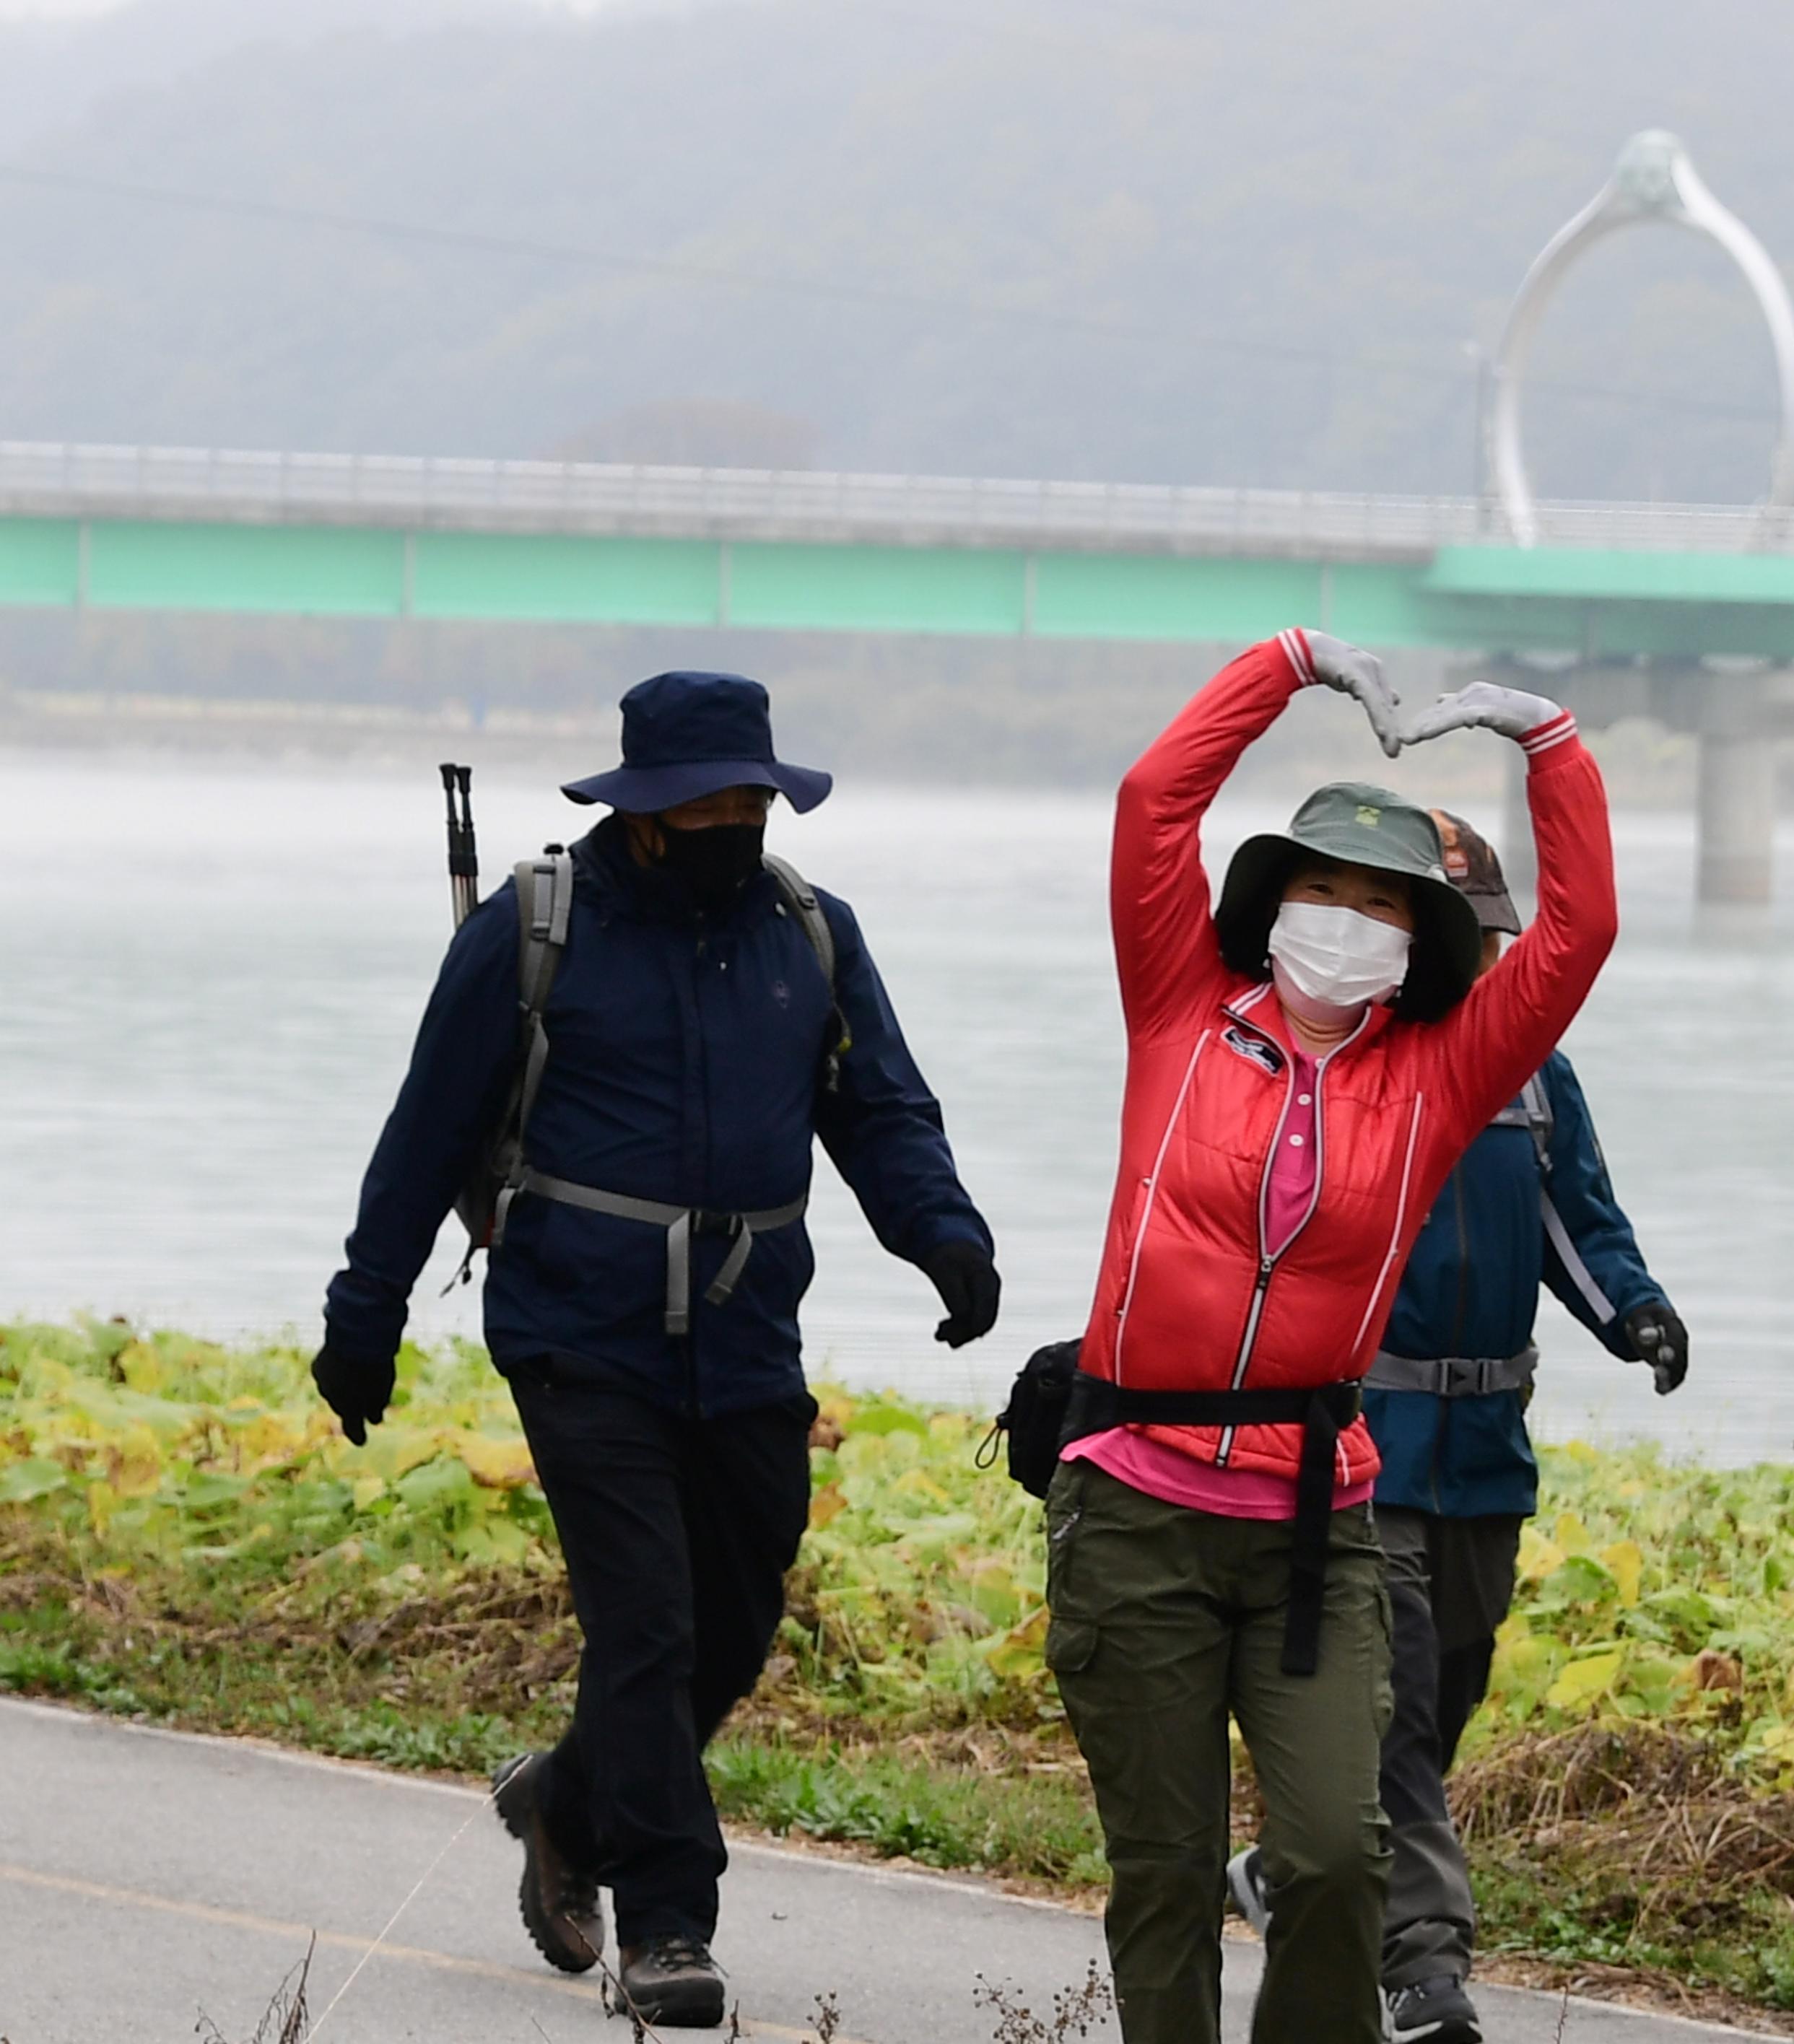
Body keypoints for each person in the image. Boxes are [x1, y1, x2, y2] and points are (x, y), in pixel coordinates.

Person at [314, 671, 998, 2027]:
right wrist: (365, 1308)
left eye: (753, 798)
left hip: (748, 1335)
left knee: (734, 1625)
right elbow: (428, 1131)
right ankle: (670, 1923)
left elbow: (882, 1108)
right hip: (579, 1333)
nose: (734, 821)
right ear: (641, 813)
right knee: (647, 1624)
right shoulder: (535, 930)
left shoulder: (812, 933)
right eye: (706, 803)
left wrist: (945, 1235)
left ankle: (566, 1801)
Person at [1042, 630, 1616, 2044]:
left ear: (1419, 939)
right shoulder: (1179, 1008)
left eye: (1381, 903)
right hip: (1134, 1509)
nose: (1346, 919)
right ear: (1271, 903)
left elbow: (1576, 935)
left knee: (1331, 1858)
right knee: (1165, 1873)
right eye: (1321, 890)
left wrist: (1549, 746)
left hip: (1313, 1526)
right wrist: (1282, 664)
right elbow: (1150, 803)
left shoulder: (1441, 1075)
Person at [1224, 811, 1684, 2044]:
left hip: (1488, 1449)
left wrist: (1635, 1313)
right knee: (1399, 1705)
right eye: (1459, 940)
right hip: (1362, 1442)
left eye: (1493, 939)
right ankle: (1425, 1961)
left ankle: (1289, 1880)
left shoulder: (1534, 1076)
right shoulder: (1365, 1068)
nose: (1482, 966)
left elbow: (1580, 1223)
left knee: (1453, 1677)